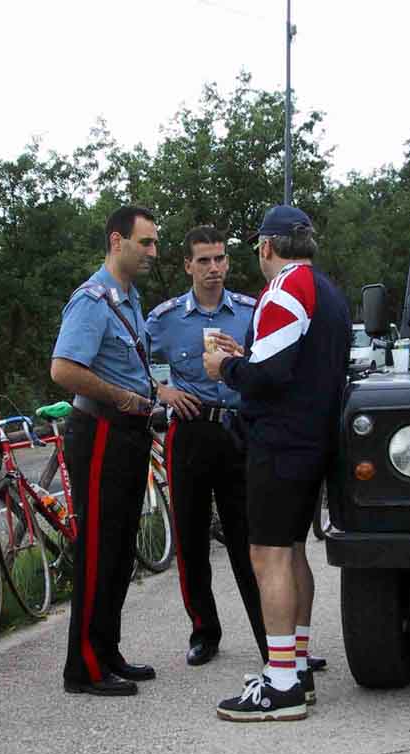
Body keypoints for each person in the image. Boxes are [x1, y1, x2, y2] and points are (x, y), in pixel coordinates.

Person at [204, 205, 351, 722]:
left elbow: (267, 378)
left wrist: (225, 366)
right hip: (312, 439)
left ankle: (282, 681)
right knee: (291, 551)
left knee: (268, 555)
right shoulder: (326, 290)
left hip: (282, 442)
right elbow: (291, 361)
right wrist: (246, 355)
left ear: (266, 246)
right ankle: (296, 666)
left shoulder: (285, 288)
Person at [146, 226, 268, 667]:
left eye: (219, 259)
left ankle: (270, 637)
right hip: (191, 432)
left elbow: (270, 365)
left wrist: (244, 361)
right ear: (188, 266)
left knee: (249, 539)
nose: (213, 268)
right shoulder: (165, 319)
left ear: (228, 262)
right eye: (203, 260)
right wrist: (161, 392)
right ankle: (204, 632)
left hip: (238, 431)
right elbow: (130, 363)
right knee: (191, 538)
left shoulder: (251, 313)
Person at [51, 205, 159, 697]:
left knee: (118, 550)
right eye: (145, 242)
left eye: (154, 243)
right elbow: (63, 369)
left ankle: (106, 651)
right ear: (118, 241)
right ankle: (84, 668)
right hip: (100, 432)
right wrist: (120, 397)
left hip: (129, 434)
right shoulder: (92, 301)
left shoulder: (129, 299)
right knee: (97, 548)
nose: (153, 251)